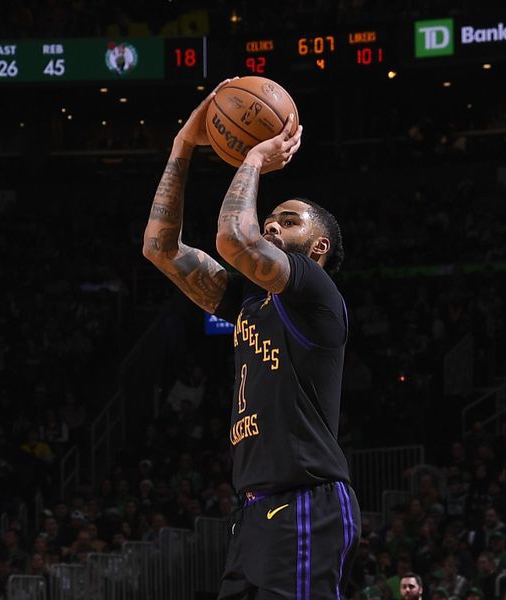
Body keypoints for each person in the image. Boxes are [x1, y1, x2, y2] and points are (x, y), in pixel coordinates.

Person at [143, 78, 360, 599]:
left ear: (319, 245)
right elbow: (158, 247)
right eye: (269, 219)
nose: (272, 226)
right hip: (255, 509)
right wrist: (181, 145)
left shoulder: (314, 291)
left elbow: (233, 238)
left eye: (288, 221)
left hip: (306, 499)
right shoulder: (244, 298)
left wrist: (256, 160)